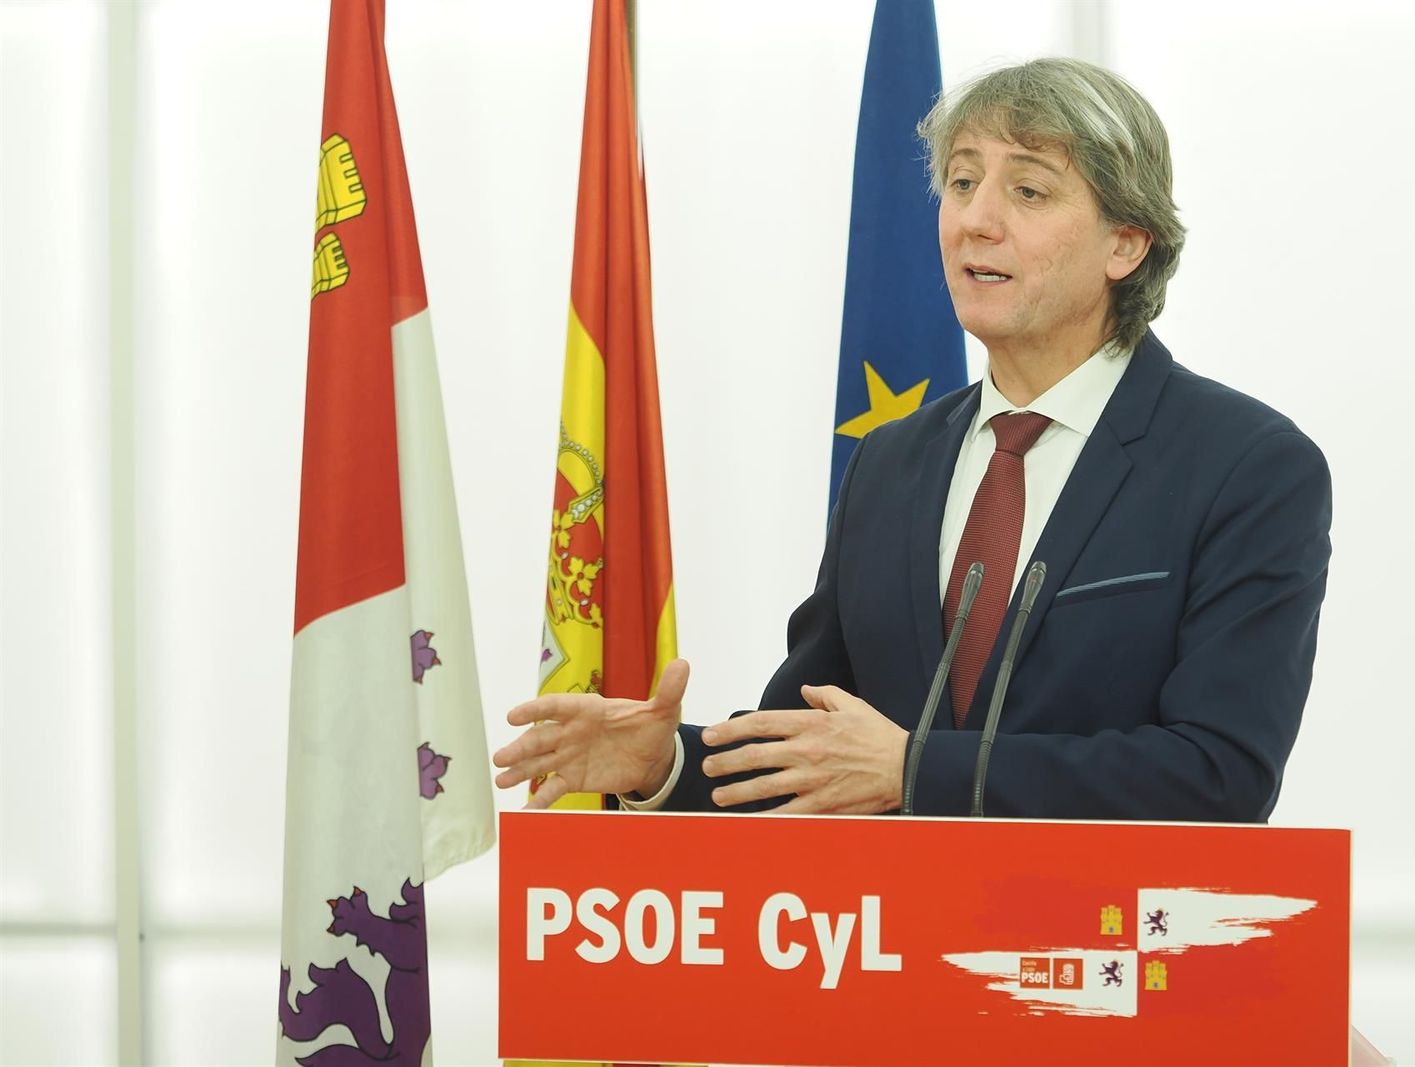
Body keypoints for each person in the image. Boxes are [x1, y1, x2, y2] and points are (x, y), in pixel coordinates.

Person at [493, 57, 1332, 822]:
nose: (976, 220)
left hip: (1102, 937)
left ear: (1126, 242)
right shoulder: (892, 462)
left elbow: (1220, 774)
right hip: (889, 938)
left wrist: (915, 771)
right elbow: (814, 748)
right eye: (962, 182)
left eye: (1028, 191)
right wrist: (665, 765)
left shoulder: (1245, 467)